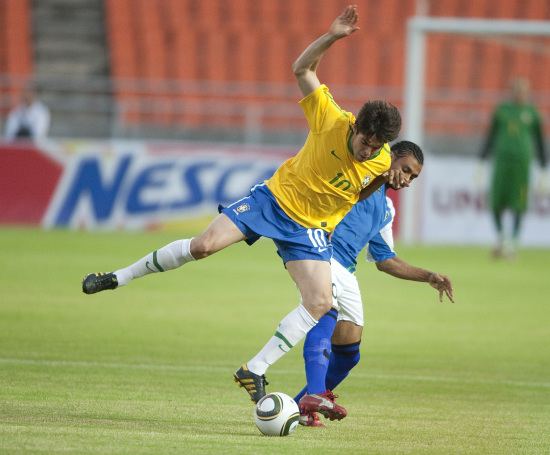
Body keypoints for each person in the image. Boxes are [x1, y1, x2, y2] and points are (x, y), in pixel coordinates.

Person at [81, 4, 402, 409]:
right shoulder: (331, 118)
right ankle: (118, 276)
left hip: (310, 230)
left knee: (320, 302)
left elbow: (356, 192)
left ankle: (254, 369)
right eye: (365, 143)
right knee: (202, 247)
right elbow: (302, 69)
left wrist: (358, 195)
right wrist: (332, 37)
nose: (368, 151)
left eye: (376, 147)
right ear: (356, 127)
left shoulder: (381, 159)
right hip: (272, 201)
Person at [294, 141, 455, 427]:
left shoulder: (386, 209)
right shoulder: (359, 173)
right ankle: (315, 395)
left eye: (413, 177)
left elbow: (385, 260)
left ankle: (297, 408)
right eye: (405, 170)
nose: (406, 180)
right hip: (323, 254)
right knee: (325, 312)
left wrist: (428, 276)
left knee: (347, 353)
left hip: (347, 270)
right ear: (389, 156)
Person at [479, 77, 546, 260]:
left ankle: (513, 241)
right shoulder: (501, 111)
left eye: (523, 91)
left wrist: (543, 167)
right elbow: (490, 136)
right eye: (517, 90)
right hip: (502, 164)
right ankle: (501, 238)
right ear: (511, 91)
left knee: (519, 203)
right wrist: (482, 160)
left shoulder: (532, 113)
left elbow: (540, 141)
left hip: (522, 165)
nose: (520, 94)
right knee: (496, 201)